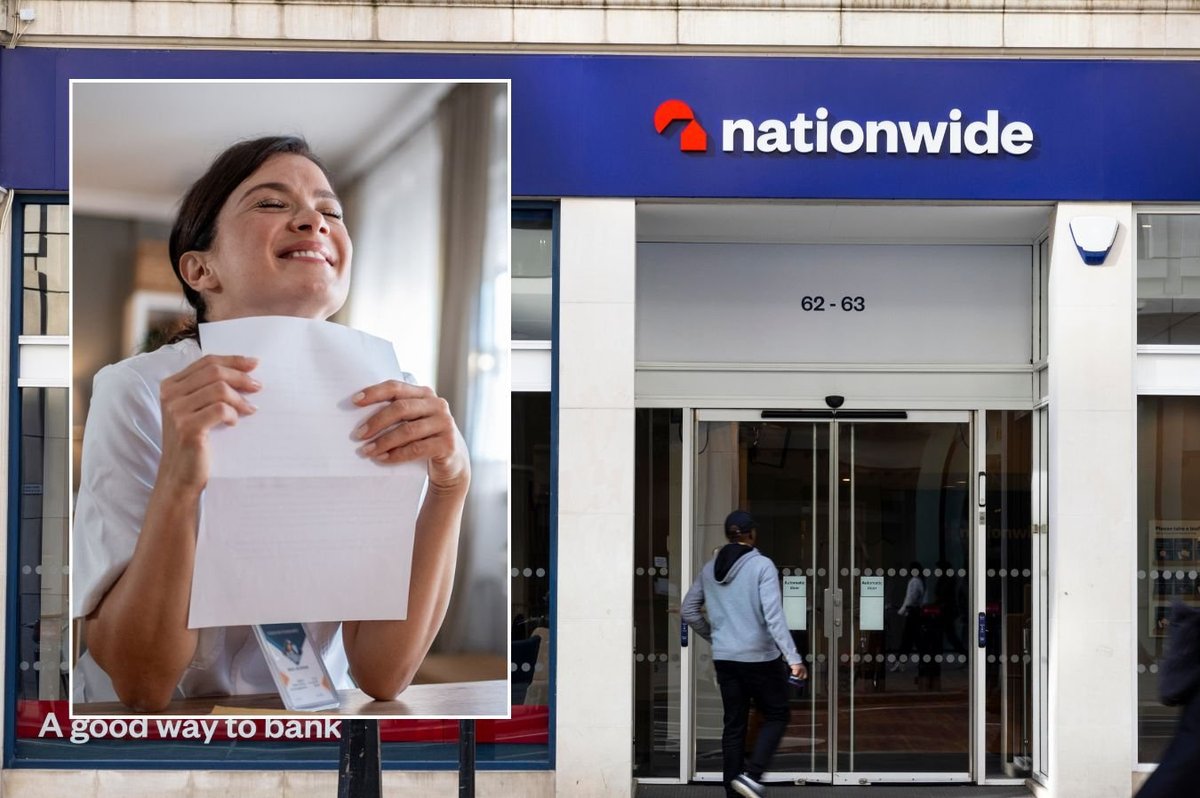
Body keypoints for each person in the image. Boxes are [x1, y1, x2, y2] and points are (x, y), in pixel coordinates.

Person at [71, 136, 470, 712]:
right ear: (201, 268)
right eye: (271, 204)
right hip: (168, 731)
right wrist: (179, 485)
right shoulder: (138, 390)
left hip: (311, 726)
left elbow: (383, 675)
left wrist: (450, 488)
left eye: (330, 210)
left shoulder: (391, 392)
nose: (313, 220)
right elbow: (141, 685)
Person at [681, 510, 806, 798]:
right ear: (752, 534)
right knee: (777, 714)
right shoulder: (762, 566)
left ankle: (734, 792)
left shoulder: (709, 569)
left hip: (726, 659)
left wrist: (716, 637)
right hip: (760, 658)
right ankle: (752, 776)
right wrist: (794, 658)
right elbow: (773, 616)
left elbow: (689, 610)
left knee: (734, 725)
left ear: (729, 535)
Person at [891, 560, 926, 672]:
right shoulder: (920, 581)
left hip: (912, 613)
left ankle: (901, 662)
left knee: (908, 639)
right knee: (912, 639)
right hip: (915, 612)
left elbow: (910, 598)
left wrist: (902, 610)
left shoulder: (914, 581)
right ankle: (906, 662)